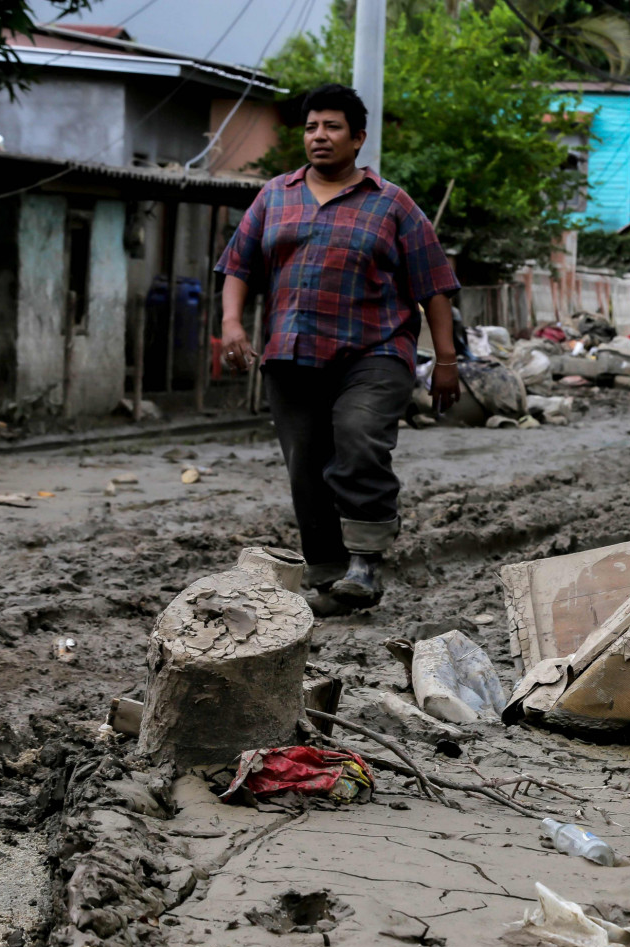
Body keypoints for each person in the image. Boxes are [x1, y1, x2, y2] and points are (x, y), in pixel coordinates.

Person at [215, 82, 459, 614]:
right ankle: (329, 576)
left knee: (358, 436)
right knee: (305, 464)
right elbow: (238, 265)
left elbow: (434, 287)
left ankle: (366, 560)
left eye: (332, 127)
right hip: (292, 354)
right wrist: (232, 323)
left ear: (358, 138)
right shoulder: (274, 196)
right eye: (311, 127)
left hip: (375, 351)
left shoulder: (391, 204)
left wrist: (446, 360)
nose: (319, 136)